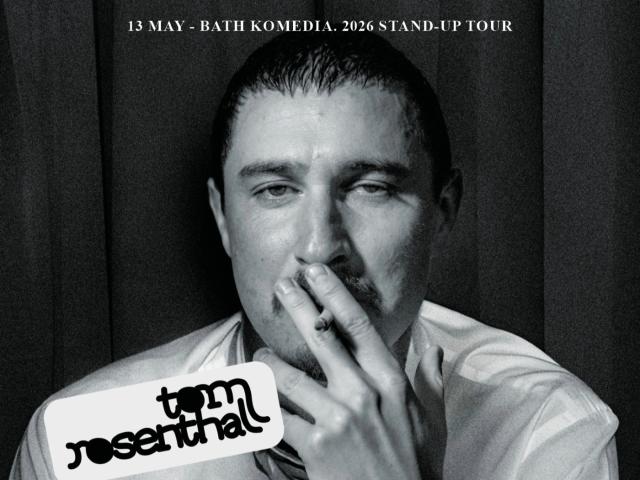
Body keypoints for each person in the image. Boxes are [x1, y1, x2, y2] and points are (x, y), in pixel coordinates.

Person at [10, 32, 618, 480]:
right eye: (276, 190)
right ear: (223, 219)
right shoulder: (84, 438)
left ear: (442, 210)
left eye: (371, 188)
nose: (320, 248)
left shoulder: (545, 427)